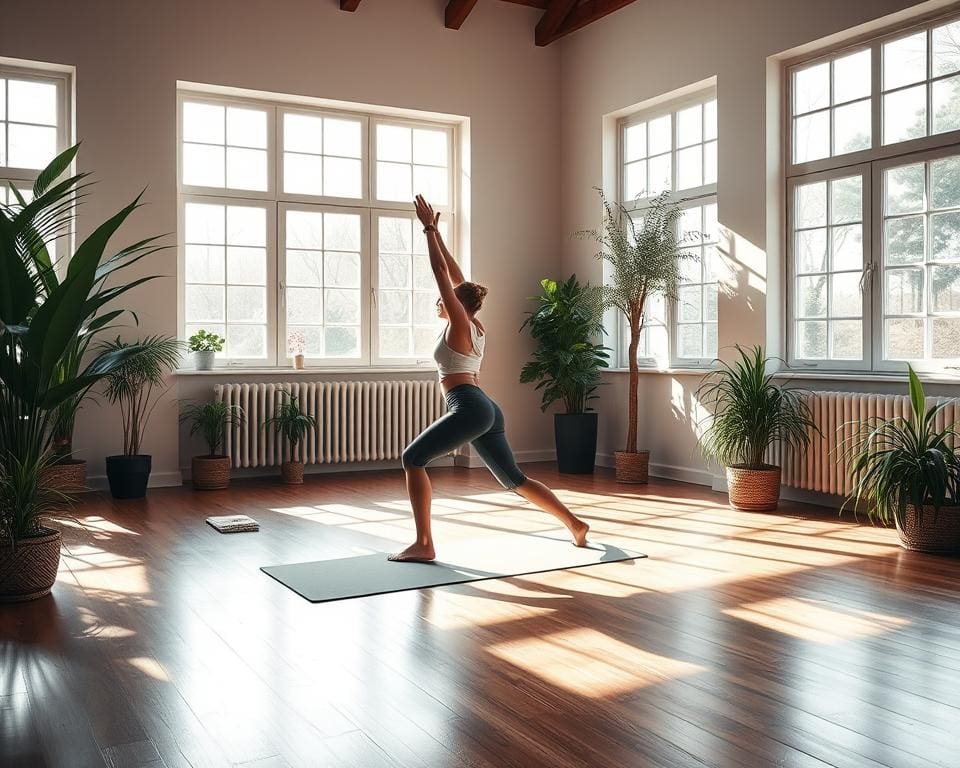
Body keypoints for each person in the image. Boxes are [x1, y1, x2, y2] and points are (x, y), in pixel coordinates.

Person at [388, 194, 590, 563]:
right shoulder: (474, 322)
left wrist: (429, 229)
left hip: (469, 406)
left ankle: (424, 543)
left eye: (445, 300)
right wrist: (440, 236)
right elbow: (457, 277)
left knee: (412, 458)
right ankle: (575, 524)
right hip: (485, 409)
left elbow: (441, 276)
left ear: (455, 305)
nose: (439, 303)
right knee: (514, 479)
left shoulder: (461, 322)